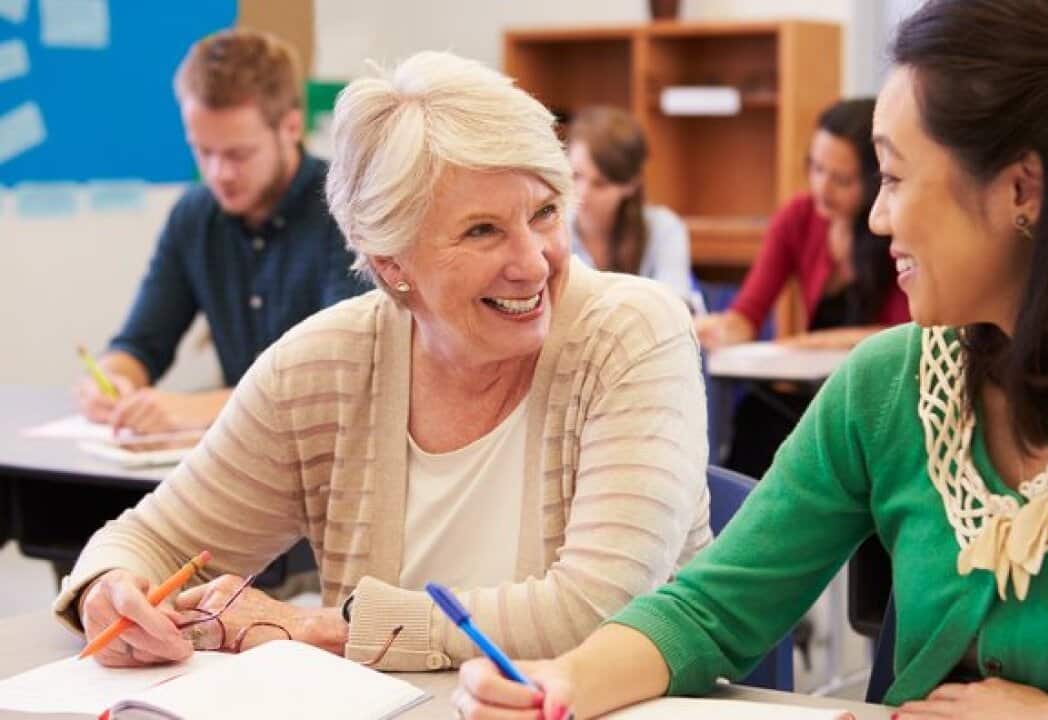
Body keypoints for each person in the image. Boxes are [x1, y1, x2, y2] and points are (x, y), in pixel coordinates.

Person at [456, 1, 1048, 718]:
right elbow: (711, 610)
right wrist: (561, 685)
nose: (877, 219)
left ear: (1023, 191)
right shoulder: (892, 384)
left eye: (893, 176)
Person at [53, 50, 712, 671]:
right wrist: (108, 591)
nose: (533, 262)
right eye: (482, 230)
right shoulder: (326, 363)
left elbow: (599, 613)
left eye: (544, 213)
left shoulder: (634, 333)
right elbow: (151, 540)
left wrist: (322, 631)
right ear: (389, 261)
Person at [74, 29, 367, 436]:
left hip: (329, 452)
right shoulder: (194, 216)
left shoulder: (346, 211)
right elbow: (142, 343)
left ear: (292, 127)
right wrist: (110, 380)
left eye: (238, 154)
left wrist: (199, 408)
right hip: (245, 458)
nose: (219, 174)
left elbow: (336, 377)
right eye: (203, 151)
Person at [694, 97, 909, 353]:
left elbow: (903, 332)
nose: (822, 188)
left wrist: (809, 343)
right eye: (816, 168)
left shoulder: (897, 229)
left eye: (841, 180)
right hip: (812, 379)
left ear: (875, 180)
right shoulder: (797, 217)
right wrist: (719, 330)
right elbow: (748, 313)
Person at [566, 106, 701, 311]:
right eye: (576, 176)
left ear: (630, 184)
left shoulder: (665, 228)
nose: (582, 193)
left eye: (600, 184)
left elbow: (674, 307)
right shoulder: (551, 227)